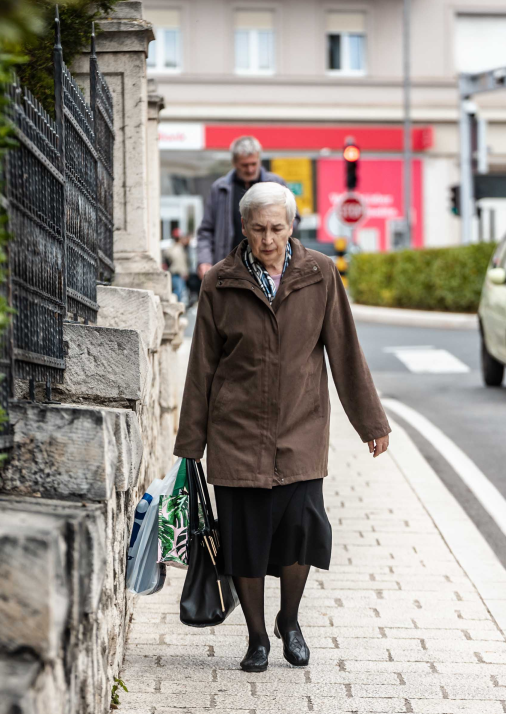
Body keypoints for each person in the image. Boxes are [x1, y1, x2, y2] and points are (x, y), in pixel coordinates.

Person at [174, 182, 391, 673]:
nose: (268, 238)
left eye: (277, 227)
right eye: (258, 229)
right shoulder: (220, 282)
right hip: (237, 432)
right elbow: (201, 366)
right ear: (243, 228)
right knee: (244, 540)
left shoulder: (319, 274)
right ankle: (256, 639)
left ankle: (288, 621)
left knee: (301, 532)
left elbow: (345, 352)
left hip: (301, 426)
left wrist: (371, 422)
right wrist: (191, 443)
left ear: (292, 225)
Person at [196, 136, 296, 279]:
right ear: (234, 163)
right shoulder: (220, 188)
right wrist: (204, 260)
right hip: (229, 268)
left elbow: (293, 217)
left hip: (269, 266)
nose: (250, 169)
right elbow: (206, 231)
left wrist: (278, 230)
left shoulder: (276, 183)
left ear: (259, 160)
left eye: (253, 164)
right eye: (245, 165)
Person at [162, 227, 190, 304]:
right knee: (177, 293)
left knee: (180, 293)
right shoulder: (174, 248)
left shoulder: (179, 248)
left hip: (180, 274)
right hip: (176, 274)